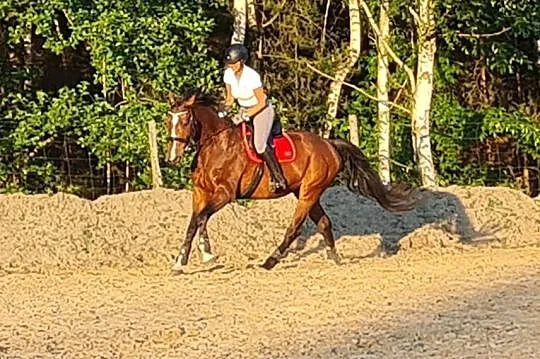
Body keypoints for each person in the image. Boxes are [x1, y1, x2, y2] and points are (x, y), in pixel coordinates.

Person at [221, 43, 287, 192]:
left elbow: (262, 101)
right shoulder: (228, 74)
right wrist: (223, 111)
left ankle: (278, 178)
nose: (230, 66)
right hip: (244, 109)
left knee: (259, 144)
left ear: (241, 62)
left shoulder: (252, 77)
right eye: (229, 63)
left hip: (261, 110)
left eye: (233, 63)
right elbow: (230, 99)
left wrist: (246, 115)